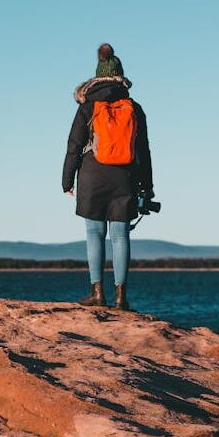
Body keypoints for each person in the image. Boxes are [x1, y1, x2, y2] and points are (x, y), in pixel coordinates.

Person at [62, 44, 153, 310]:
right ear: (120, 76)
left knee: (94, 233)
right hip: (125, 176)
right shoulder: (134, 108)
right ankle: (121, 299)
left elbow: (74, 146)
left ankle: (97, 294)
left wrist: (67, 180)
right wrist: (147, 187)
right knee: (121, 236)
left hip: (92, 175)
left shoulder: (88, 107)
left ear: (96, 77)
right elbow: (143, 151)